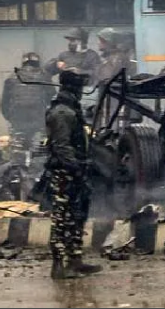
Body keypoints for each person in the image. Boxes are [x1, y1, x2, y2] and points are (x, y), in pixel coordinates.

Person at [45, 69, 102, 279]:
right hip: (65, 172)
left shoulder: (70, 108)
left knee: (76, 215)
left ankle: (75, 260)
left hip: (75, 170)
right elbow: (61, 146)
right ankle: (59, 264)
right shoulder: (62, 112)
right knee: (62, 217)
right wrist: (75, 167)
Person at [1, 52, 55, 155]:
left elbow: (4, 103)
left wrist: (11, 118)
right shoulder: (44, 76)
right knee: (39, 153)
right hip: (39, 120)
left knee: (18, 154)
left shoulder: (12, 77)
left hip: (17, 121)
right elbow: (52, 98)